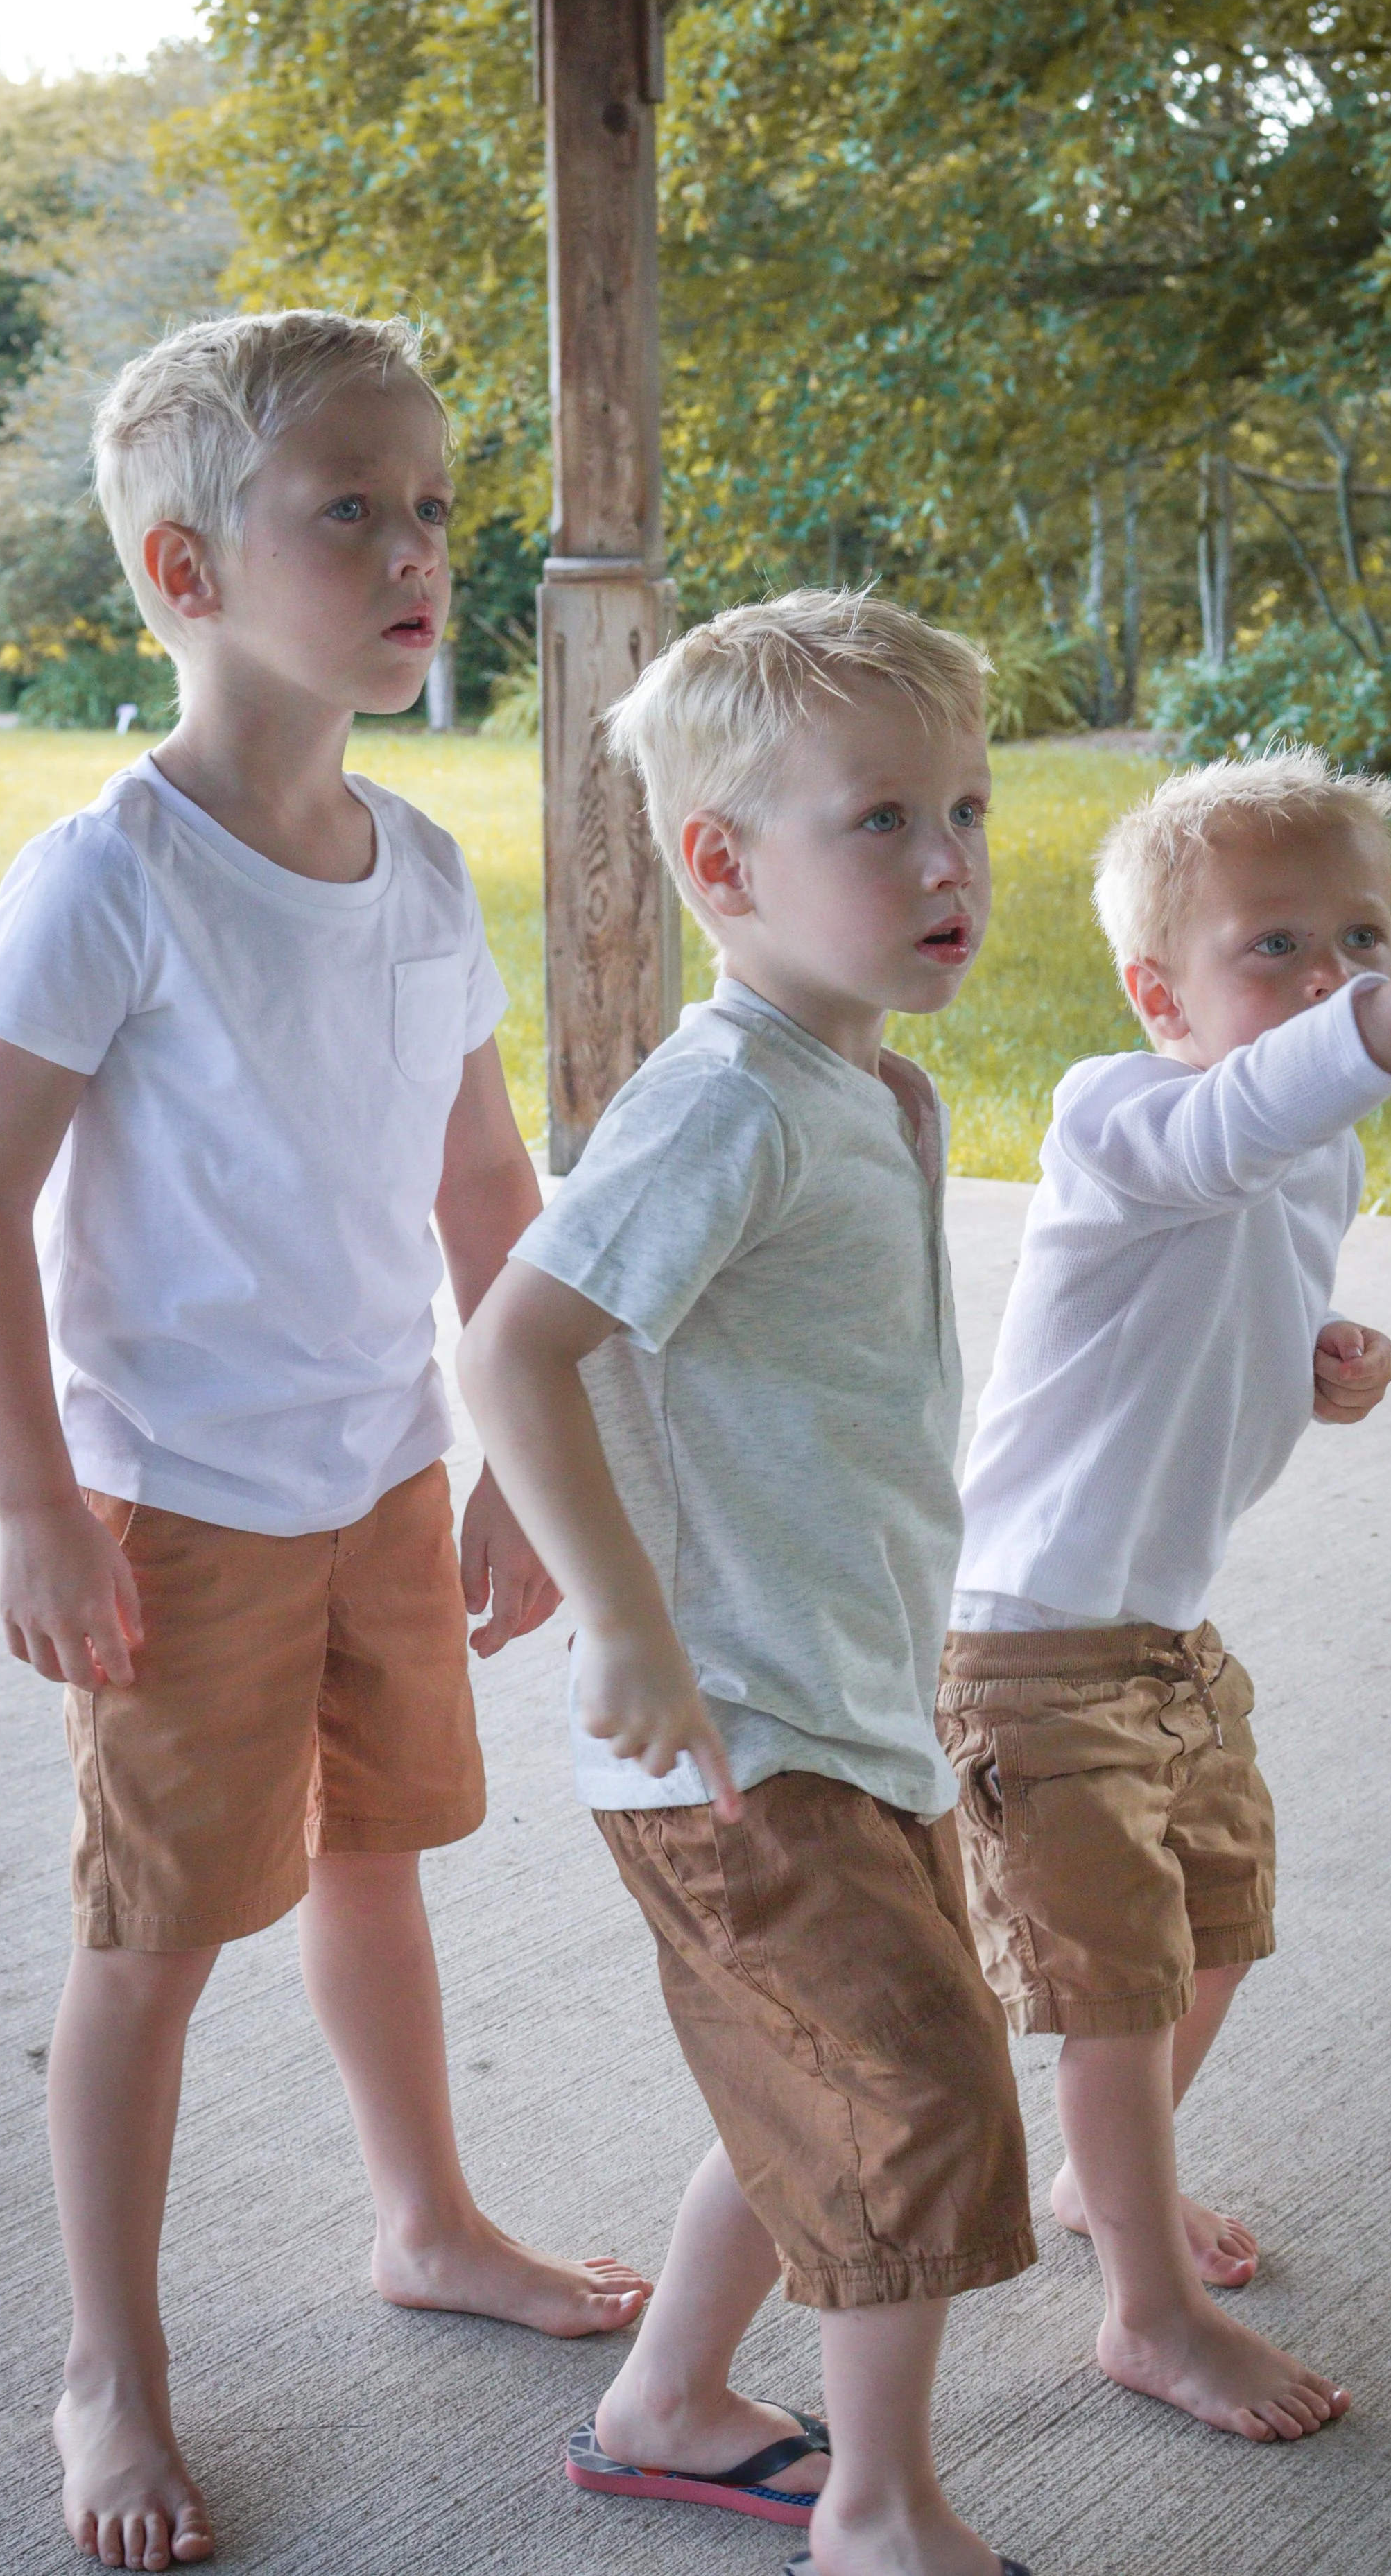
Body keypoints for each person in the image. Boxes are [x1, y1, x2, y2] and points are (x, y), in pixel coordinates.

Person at [0, 310, 650, 2576]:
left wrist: (518, 1463)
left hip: (384, 1477)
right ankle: (107, 2364)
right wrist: (36, 1502)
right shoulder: (112, 875)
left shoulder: (419, 872)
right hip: (178, 1507)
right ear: (184, 568)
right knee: (153, 1935)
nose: (420, 549)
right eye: (351, 509)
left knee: (381, 1862)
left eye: (433, 506)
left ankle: (425, 2218)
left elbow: (486, 1189)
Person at [459, 589, 1037, 2576]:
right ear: (718, 865)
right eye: (879, 820)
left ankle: (667, 2405)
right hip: (729, 1723)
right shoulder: (727, 1097)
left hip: (846, 1693)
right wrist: (621, 1616)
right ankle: (874, 2510)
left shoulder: (868, 1087)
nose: (947, 860)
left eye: (963, 809)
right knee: (907, 2093)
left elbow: (645, 1344)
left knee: (818, 2071)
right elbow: (518, 1338)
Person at [938, 747, 1391, 2443]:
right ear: (1156, 994)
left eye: (1362, 941)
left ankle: (1101, 2184)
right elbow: (1240, 1125)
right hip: (1030, 1642)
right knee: (1114, 1985)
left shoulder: (1316, 1154)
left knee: (1215, 1930)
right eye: (1272, 946)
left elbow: (1223, 1294)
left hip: (1158, 1634)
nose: (1326, 978)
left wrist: (1322, 1357)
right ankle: (1143, 2316)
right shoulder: (1120, 1115)